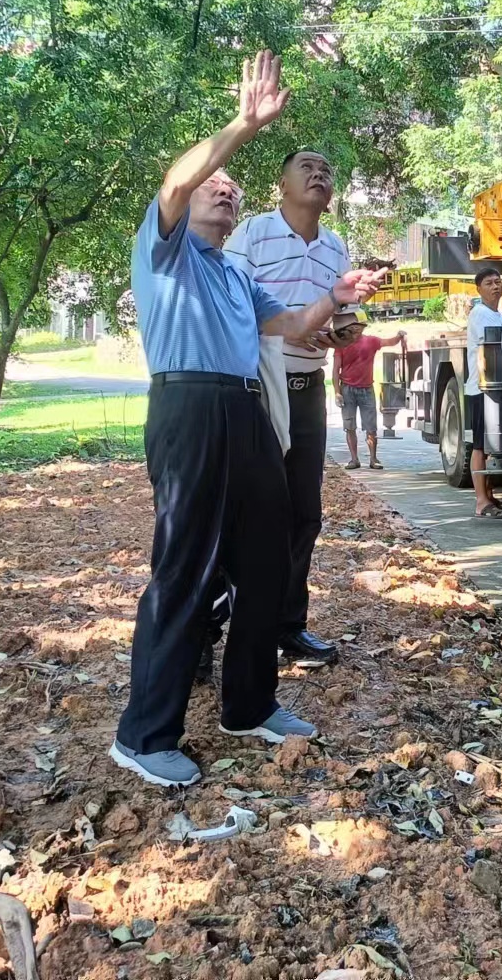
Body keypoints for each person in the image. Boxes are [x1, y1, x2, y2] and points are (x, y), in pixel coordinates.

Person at [111, 51, 382, 788]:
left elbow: (291, 325)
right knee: (185, 567)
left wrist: (337, 295)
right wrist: (244, 124)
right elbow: (176, 182)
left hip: (245, 406)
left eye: (231, 188)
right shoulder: (165, 250)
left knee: (268, 559)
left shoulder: (237, 269)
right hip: (188, 407)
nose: (224, 190)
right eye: (215, 184)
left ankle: (249, 703)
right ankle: (144, 734)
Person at [229, 148, 351, 667]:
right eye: (307, 167)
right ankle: (218, 626)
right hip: (256, 385)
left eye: (326, 170)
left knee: (304, 514)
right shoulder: (253, 233)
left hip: (307, 388)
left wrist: (342, 333)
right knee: (246, 511)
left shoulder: (335, 246)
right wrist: (291, 327)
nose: (319, 174)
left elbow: (346, 319)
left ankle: (288, 625)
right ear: (281, 183)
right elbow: (229, 300)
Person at [333, 310, 407, 470]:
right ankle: (354, 459)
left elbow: (389, 342)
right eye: (353, 325)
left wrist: (399, 336)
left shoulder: (371, 341)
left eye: (359, 325)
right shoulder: (341, 344)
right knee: (349, 426)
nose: (356, 328)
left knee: (371, 427)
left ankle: (373, 459)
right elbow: (335, 370)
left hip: (367, 389)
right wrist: (337, 392)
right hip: (347, 389)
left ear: (363, 327)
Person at [466, 265, 502, 520]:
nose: (495, 286)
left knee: (493, 444)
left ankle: (490, 496)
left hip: (498, 387)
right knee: (481, 446)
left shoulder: (501, 315)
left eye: (498, 282)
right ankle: (480, 501)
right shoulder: (480, 314)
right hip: (482, 389)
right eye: (489, 283)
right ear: (479, 289)